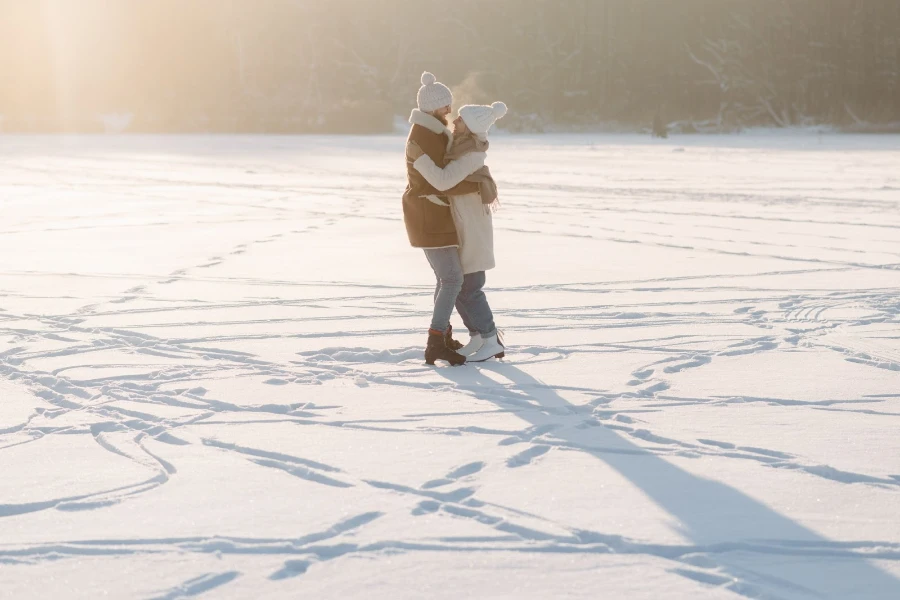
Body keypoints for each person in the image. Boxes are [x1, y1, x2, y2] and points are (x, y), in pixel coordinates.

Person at [412, 102, 508, 363]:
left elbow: (444, 180)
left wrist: (419, 160)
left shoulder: (471, 155)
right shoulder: (460, 149)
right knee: (463, 285)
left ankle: (491, 340)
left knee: (472, 287)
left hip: (473, 226)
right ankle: (478, 336)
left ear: (472, 127)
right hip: (463, 223)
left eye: (461, 121)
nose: (455, 122)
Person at [402, 72, 485, 366]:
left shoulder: (435, 132)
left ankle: (443, 336)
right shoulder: (424, 135)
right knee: (452, 278)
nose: (449, 111)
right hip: (428, 213)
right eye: (445, 106)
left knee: (447, 278)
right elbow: (440, 180)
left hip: (437, 213)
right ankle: (435, 341)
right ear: (433, 107)